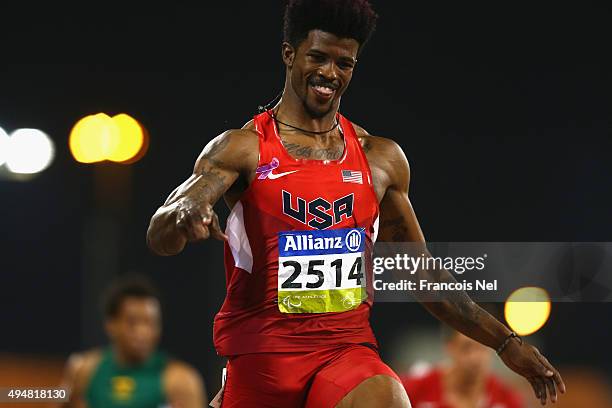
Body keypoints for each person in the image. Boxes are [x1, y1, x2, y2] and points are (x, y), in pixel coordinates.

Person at [146, 1, 565, 406]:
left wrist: (504, 343)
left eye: (344, 63)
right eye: (318, 57)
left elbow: (420, 273)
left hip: (344, 350)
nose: (330, 73)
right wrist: (184, 215)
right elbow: (162, 233)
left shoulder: (380, 159)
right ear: (289, 55)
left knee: (387, 398)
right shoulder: (243, 149)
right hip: (263, 358)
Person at [59, 276, 207, 408]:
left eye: (150, 323)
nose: (142, 332)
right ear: (111, 325)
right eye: (132, 322)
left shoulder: (181, 381)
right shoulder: (84, 371)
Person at [401, 326, 524, 408]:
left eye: (482, 348)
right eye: (466, 348)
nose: (475, 357)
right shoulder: (413, 390)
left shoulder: (508, 399)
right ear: (450, 347)